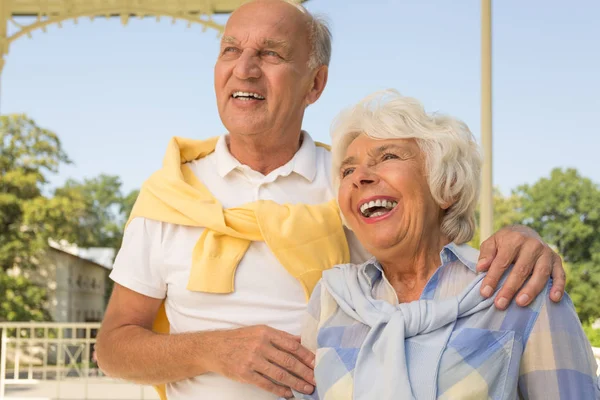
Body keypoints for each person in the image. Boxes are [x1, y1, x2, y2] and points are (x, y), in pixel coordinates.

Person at [94, 1, 568, 400]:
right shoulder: (171, 194)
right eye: (230, 50)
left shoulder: (355, 186)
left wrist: (521, 239)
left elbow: (441, 267)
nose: (244, 68)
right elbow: (113, 348)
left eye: (271, 53)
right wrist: (213, 349)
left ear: (315, 84)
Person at [294, 90, 600, 400]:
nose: (360, 177)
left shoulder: (523, 287)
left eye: (388, 156)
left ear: (447, 186)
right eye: (348, 170)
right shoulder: (331, 298)